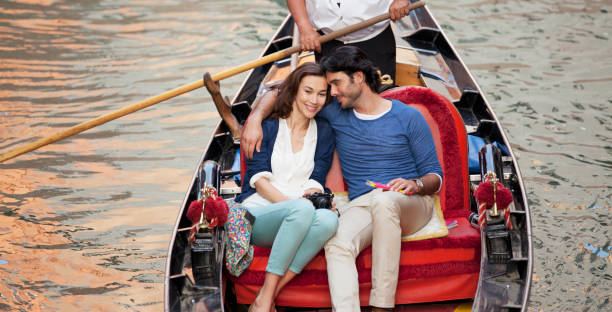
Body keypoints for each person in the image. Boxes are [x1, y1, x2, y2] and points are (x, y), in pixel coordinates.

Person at [242, 46, 442, 312]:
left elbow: (435, 177)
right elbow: (285, 92)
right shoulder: (335, 112)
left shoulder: (408, 116)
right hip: (364, 205)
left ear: (358, 78)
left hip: (412, 202)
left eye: (336, 84)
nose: (331, 93)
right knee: (337, 242)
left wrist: (414, 184)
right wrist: (255, 118)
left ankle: (382, 307)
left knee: (385, 203)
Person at [233, 62, 338, 312]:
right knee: (302, 210)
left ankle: (267, 296)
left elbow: (317, 176)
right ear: (294, 92)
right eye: (308, 91)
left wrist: (315, 198)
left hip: (300, 214)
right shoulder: (267, 128)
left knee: (329, 222)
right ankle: (269, 295)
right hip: (258, 214)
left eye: (321, 94)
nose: (314, 100)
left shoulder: (323, 131)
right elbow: (258, 181)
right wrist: (297, 206)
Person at [286, 0, 414, 82]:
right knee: (332, 105)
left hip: (375, 38)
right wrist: (305, 28)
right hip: (326, 41)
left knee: (378, 104)